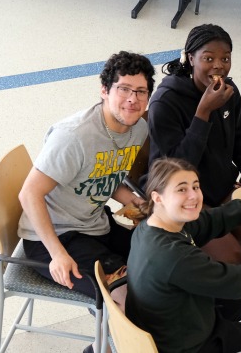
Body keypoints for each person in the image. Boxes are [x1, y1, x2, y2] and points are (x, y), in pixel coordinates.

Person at [18, 51, 154, 315]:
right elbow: (28, 194)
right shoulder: (73, 137)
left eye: (141, 91)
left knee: (157, 257)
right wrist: (57, 254)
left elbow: (105, 175)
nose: (132, 99)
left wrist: (134, 202)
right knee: (126, 291)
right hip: (51, 237)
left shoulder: (138, 129)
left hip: (94, 224)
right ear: (104, 90)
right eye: (124, 89)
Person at [126, 157, 241, 353]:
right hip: (188, 345)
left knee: (231, 303)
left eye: (196, 186)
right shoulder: (174, 257)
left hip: (169, 325)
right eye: (181, 189)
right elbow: (235, 282)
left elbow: (205, 222)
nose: (194, 196)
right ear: (158, 197)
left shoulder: (150, 226)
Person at [147, 24, 241, 268]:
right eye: (208, 58)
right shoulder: (165, 102)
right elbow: (177, 169)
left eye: (225, 58)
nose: (218, 65)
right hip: (182, 196)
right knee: (234, 258)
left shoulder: (228, 92)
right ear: (191, 59)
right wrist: (203, 112)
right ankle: (227, 292)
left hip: (220, 188)